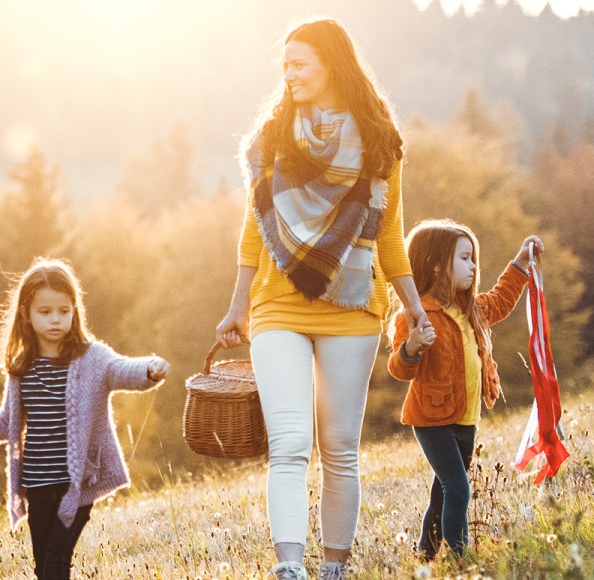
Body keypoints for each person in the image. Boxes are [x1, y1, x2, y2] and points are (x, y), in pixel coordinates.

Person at [211, 18, 429, 580]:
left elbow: (388, 238)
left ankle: (334, 567)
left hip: (353, 307)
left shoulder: (380, 143)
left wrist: (416, 308)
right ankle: (290, 566)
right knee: (289, 443)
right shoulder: (271, 141)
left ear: (331, 64)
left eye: (298, 63)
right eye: (284, 66)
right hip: (277, 307)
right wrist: (237, 306)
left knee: (339, 449)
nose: (289, 75)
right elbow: (254, 231)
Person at [0, 258, 169, 580]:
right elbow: (5, 423)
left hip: (74, 486)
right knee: (43, 569)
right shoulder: (22, 368)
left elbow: (122, 370)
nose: (55, 320)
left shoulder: (92, 358)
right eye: (45, 312)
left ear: (75, 311)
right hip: (36, 484)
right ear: (26, 314)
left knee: (55, 565)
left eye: (64, 311)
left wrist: (149, 369)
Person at [387, 219, 541, 559]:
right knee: (458, 489)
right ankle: (461, 560)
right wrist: (412, 347)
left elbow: (500, 300)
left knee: (444, 493)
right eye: (465, 258)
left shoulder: (470, 309)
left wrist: (521, 262)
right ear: (439, 265)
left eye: (474, 259)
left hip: (466, 418)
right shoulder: (418, 314)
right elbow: (399, 369)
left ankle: (425, 555)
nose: (473, 266)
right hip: (432, 420)